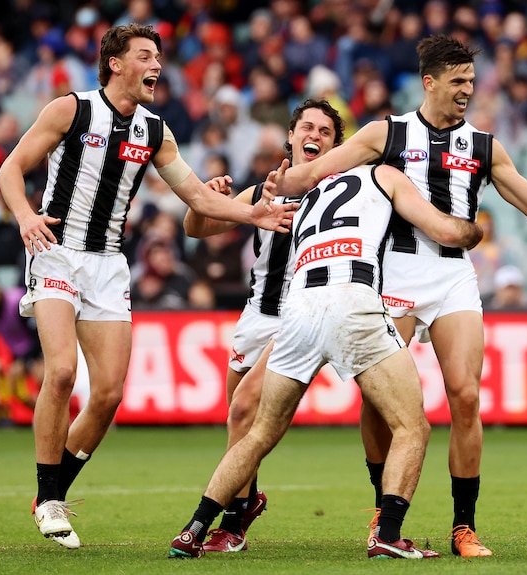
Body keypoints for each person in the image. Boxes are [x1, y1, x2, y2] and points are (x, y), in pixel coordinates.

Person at [274, 34, 527, 557]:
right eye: (458, 80)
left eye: (471, 80)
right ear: (430, 82)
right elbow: (318, 170)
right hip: (393, 274)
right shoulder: (386, 133)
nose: (467, 89)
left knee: (465, 396)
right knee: (380, 404)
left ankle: (463, 526)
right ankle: (386, 512)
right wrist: (273, 189)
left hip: (452, 278)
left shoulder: (485, 146)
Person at [0, 23, 297, 550]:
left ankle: (54, 493)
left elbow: (199, 200)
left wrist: (253, 213)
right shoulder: (70, 109)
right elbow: (10, 169)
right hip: (57, 251)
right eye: (145, 55)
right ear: (115, 63)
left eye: (158, 56)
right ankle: (48, 499)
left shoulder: (155, 131)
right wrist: (24, 215)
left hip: (109, 264)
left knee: (109, 393)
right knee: (63, 370)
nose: (156, 64)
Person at [170, 161, 483, 561]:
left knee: (260, 432)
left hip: (297, 310)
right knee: (412, 426)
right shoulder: (381, 175)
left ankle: (193, 529)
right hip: (351, 298)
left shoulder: (300, 195)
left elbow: (203, 226)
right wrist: (476, 229)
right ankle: (387, 533)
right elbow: (445, 231)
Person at [180, 98, 345, 553]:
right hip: (257, 314)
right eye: (306, 127)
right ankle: (247, 500)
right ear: (290, 136)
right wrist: (206, 199)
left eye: (325, 131)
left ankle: (230, 523)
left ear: (335, 144)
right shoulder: (262, 193)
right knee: (238, 421)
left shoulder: (342, 190)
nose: (314, 135)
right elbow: (197, 227)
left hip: (301, 316)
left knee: (243, 413)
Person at [0, 284, 42, 424]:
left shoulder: (16, 303)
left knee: (44, 380)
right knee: (17, 390)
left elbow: (38, 334)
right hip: (18, 352)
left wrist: (25, 361)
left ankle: (56, 416)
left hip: (38, 348)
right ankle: (46, 417)